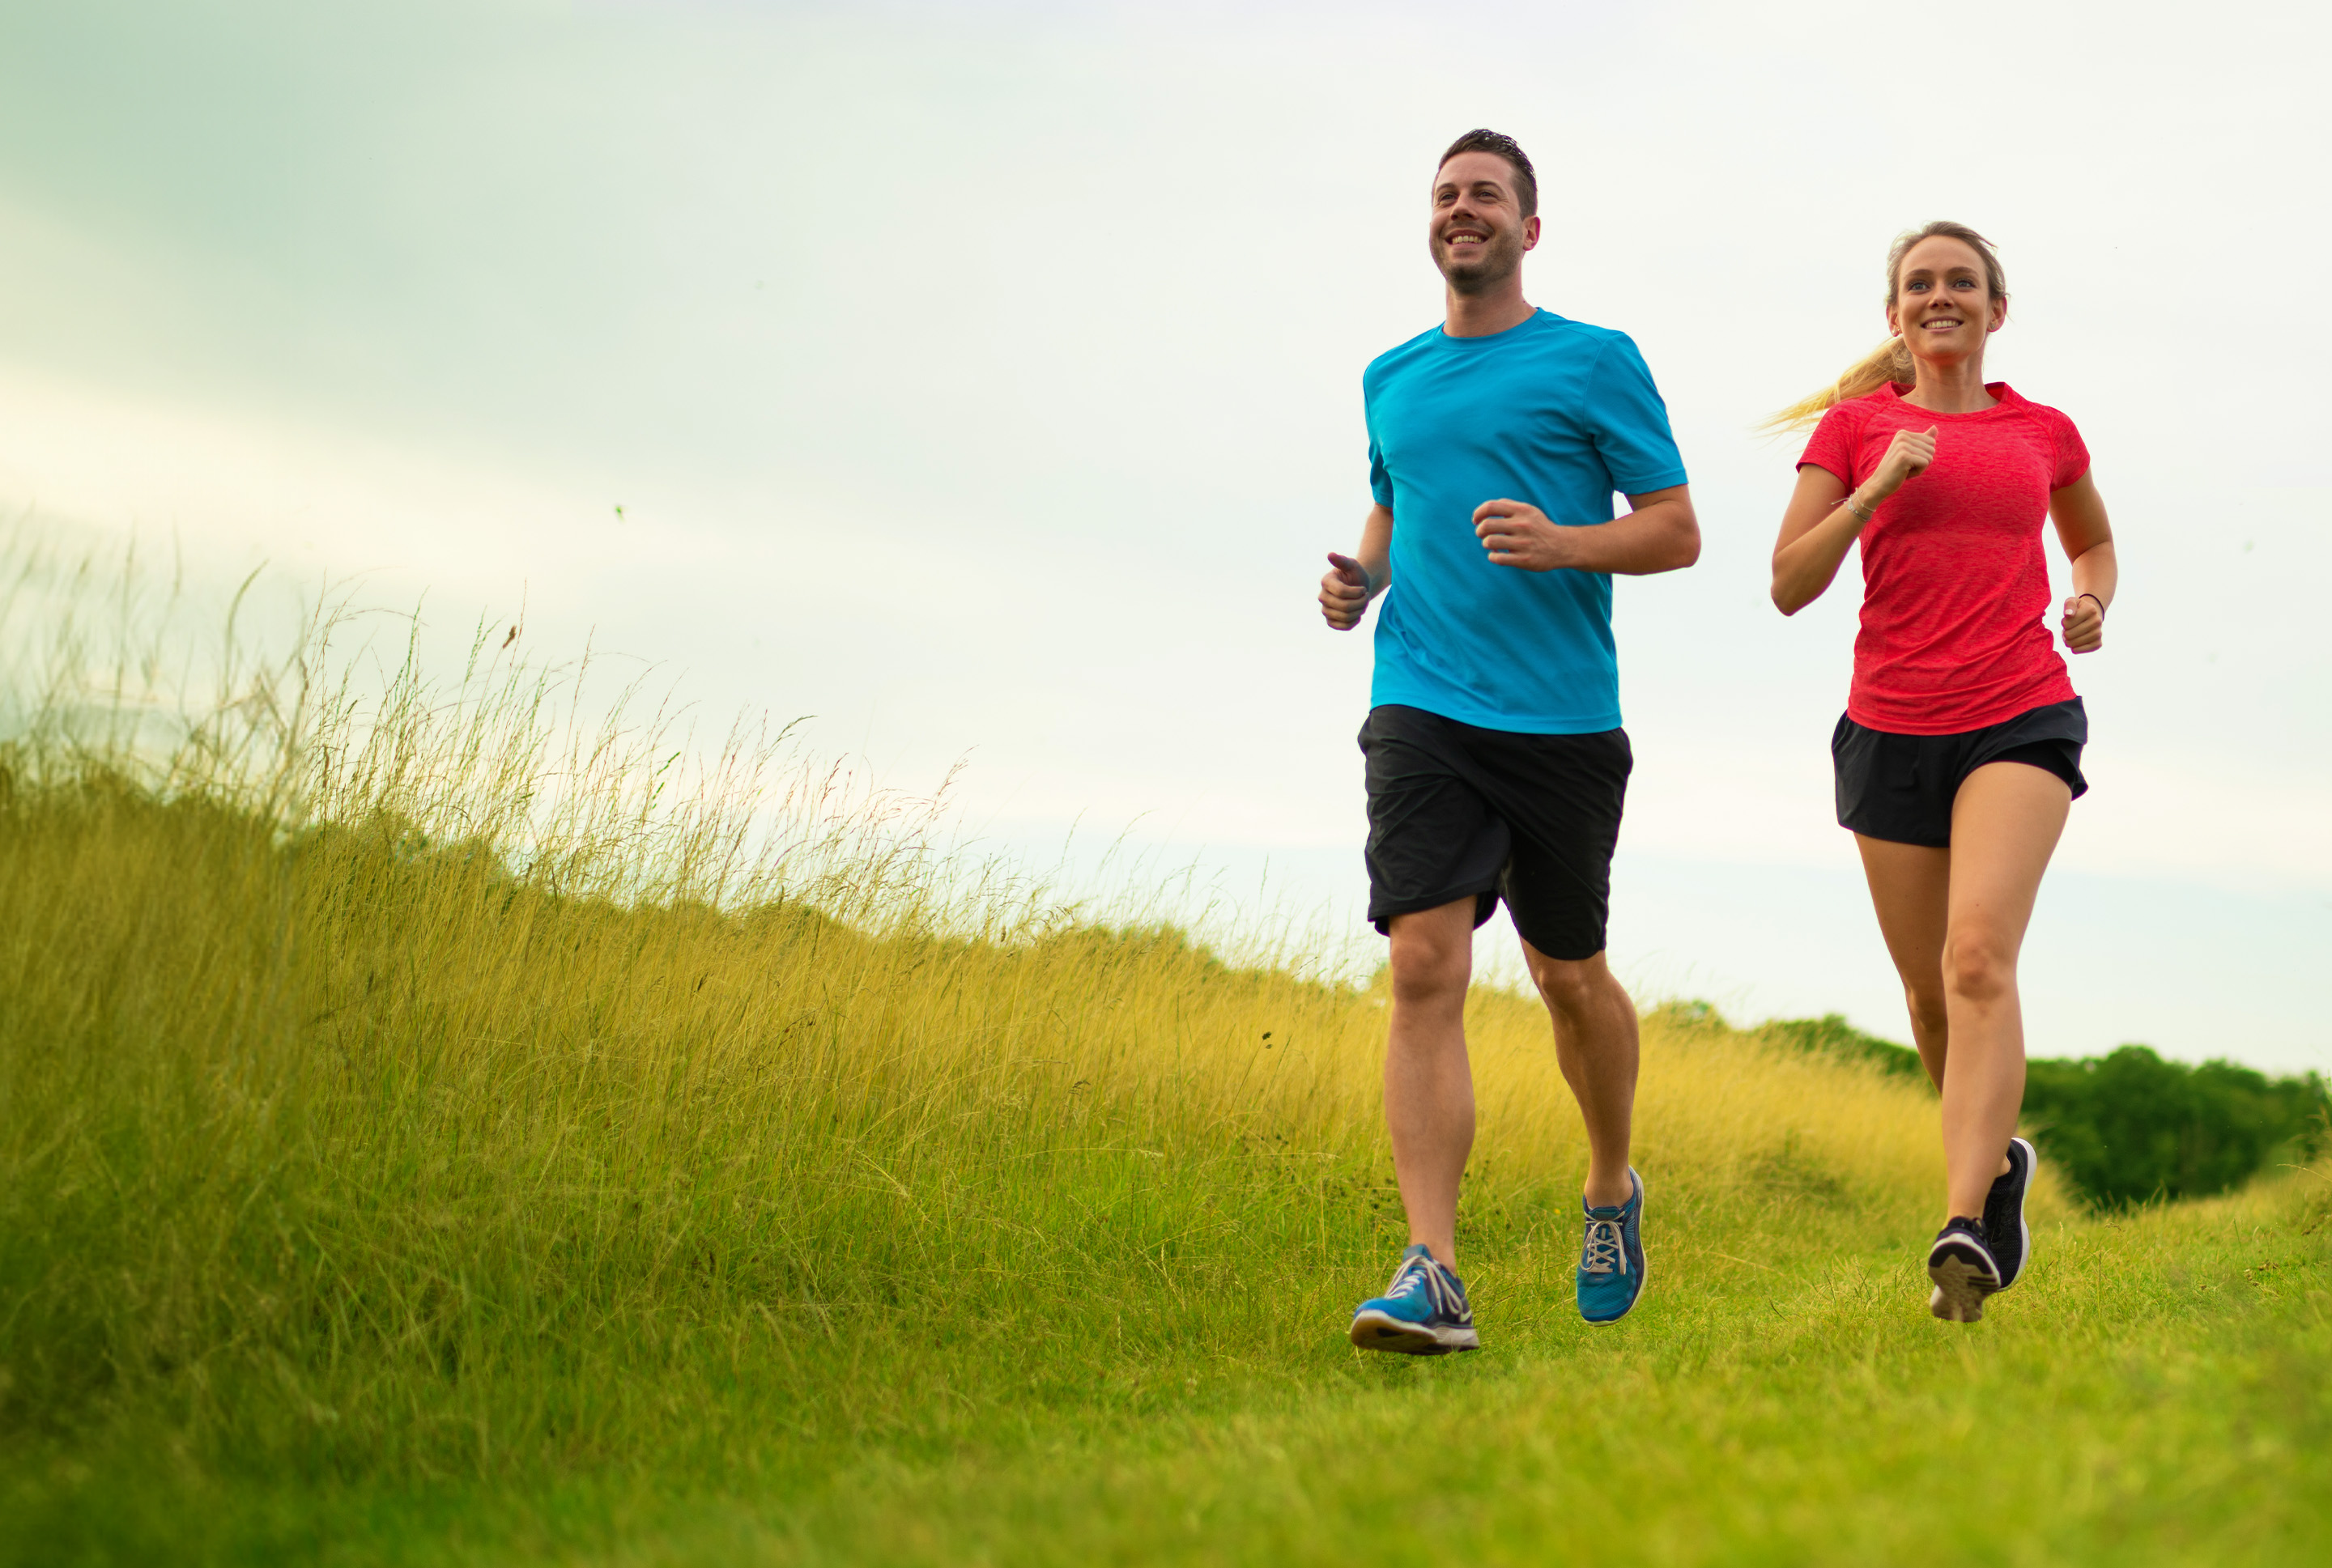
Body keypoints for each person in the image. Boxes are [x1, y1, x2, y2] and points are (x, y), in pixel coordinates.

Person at [1318, 130, 1699, 1353]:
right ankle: (1433, 1268)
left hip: (1563, 720)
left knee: (1565, 975)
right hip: (1422, 700)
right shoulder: (1391, 373)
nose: (1462, 209)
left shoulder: (1593, 361)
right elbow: (1394, 497)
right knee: (1425, 964)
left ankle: (1609, 1185)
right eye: (1445, 195)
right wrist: (1362, 579)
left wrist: (1563, 541)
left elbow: (1678, 530)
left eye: (1486, 194)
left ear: (1530, 229)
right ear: (1429, 227)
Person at [1767, 221, 2117, 1323]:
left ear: (1995, 310)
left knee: (1977, 960)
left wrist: (2092, 599)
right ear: (1895, 315)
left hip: (2019, 712)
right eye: (1920, 283)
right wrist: (1873, 490)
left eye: (1961, 281)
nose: (1940, 296)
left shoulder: (2044, 431)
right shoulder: (1857, 426)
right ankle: (1999, 1170)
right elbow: (1787, 582)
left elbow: (2093, 542)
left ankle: (1963, 1221)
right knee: (1929, 997)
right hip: (1891, 726)